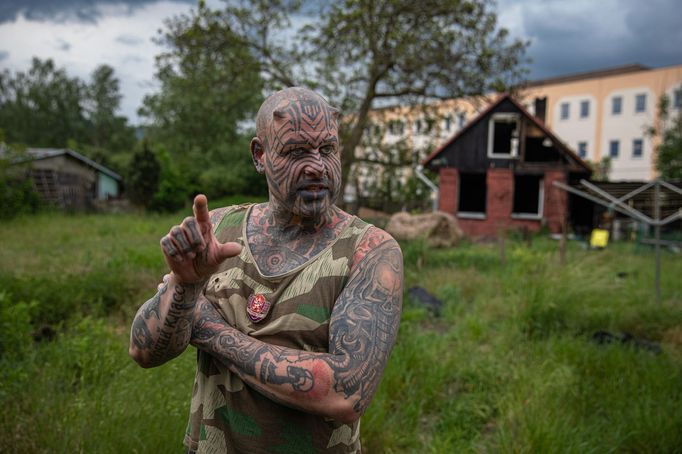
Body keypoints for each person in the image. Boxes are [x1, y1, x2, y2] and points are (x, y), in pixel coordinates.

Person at [128, 87, 403, 453]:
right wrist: (185, 285)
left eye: (328, 149)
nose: (317, 167)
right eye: (296, 151)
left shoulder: (369, 250)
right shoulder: (217, 231)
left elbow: (347, 392)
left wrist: (211, 331)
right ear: (260, 155)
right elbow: (143, 352)